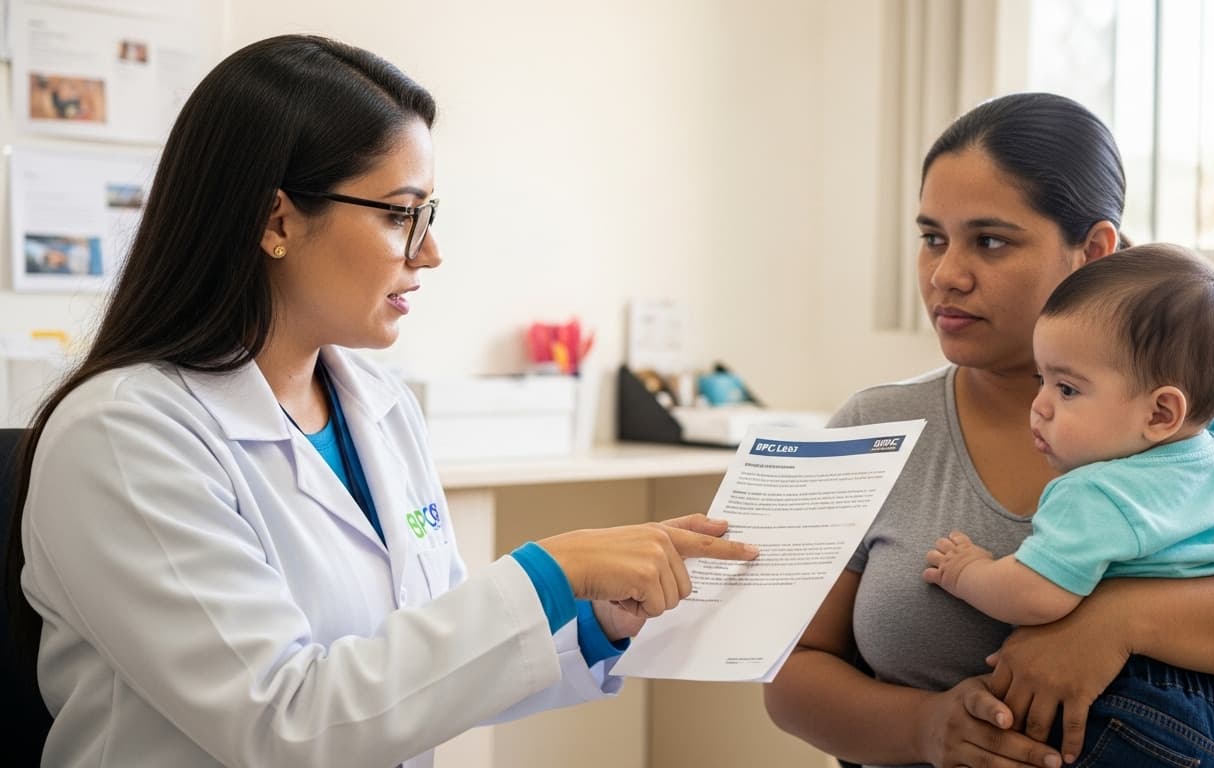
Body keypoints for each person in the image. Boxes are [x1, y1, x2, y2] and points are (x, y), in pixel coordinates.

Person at [2, 35, 757, 768]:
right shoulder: (123, 436)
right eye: (401, 214)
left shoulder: (378, 404)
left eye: (429, 214)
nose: (429, 252)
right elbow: (284, 724)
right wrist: (546, 573)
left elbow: (420, 672)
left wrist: (589, 621)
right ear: (277, 221)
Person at [762, 92, 1214, 768]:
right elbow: (788, 670)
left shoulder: (1200, 423)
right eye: (932, 238)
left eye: (990, 241)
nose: (946, 275)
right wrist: (925, 729)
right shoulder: (871, 425)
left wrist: (1114, 622)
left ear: (1093, 249)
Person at [924, 243, 1214, 765]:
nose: (1039, 405)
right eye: (1043, 381)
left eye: (1067, 389)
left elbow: (1036, 595)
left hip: (1129, 703)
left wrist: (969, 570)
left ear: (1161, 412)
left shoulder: (1092, 491)